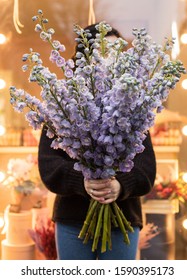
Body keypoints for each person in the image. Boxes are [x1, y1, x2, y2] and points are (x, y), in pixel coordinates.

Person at [38, 23, 156, 260]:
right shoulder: (62, 106)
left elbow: (146, 169)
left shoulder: (132, 108)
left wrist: (120, 185)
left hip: (124, 218)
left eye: (115, 52)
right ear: (85, 58)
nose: (109, 58)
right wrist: (83, 181)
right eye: (102, 51)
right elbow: (49, 166)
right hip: (73, 222)